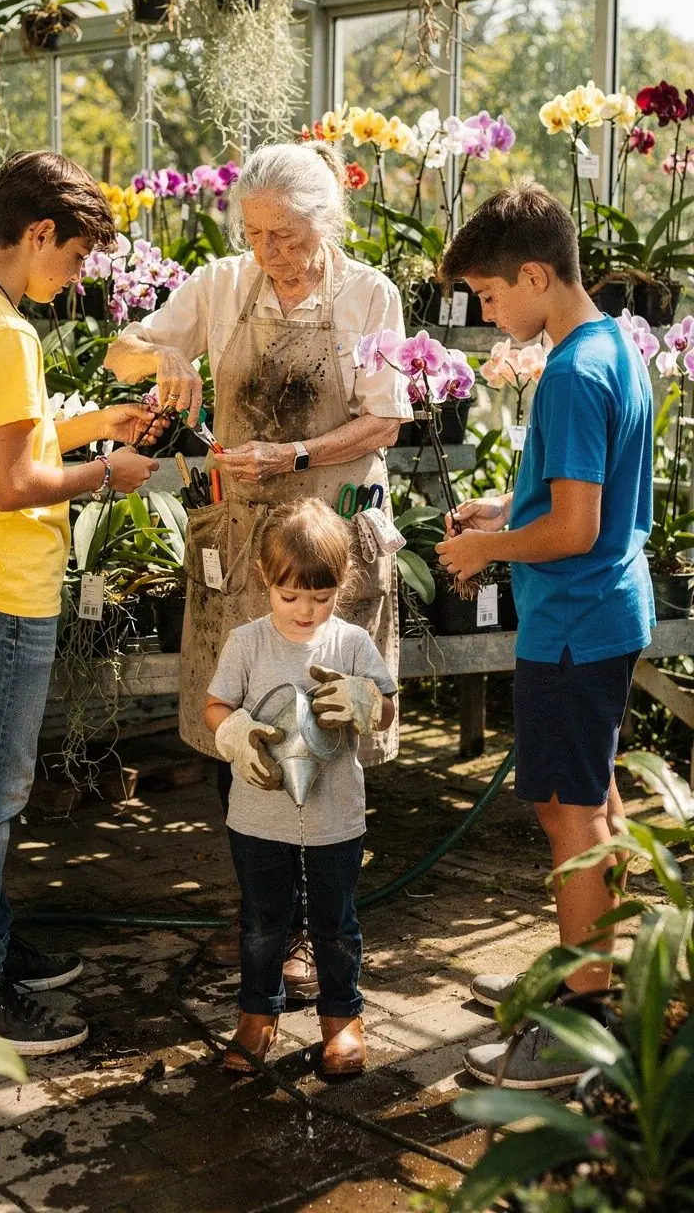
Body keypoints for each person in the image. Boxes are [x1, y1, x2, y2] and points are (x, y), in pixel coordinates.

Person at [106, 141, 412, 984]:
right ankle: (260, 916)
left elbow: (386, 420)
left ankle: (314, 924)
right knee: (240, 719)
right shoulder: (221, 285)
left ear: (325, 223)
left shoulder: (368, 295)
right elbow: (119, 353)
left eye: (286, 235)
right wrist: (162, 356)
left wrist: (295, 453)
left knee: (325, 722)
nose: (268, 251)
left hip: (328, 541)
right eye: (254, 233)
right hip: (242, 543)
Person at [0, 150, 162, 1054]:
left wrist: (96, 425)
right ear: (39, 232)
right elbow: (15, 482)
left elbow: (5, 445)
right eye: (76, 254)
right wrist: (109, 472)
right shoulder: (7, 335)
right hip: (5, 584)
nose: (78, 273)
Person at [434, 182, 654, 1089]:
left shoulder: (567, 374)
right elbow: (582, 498)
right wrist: (506, 508)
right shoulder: (611, 345)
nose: (487, 315)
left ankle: (579, 1027)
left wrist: (483, 547)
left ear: (534, 275)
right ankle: (587, 975)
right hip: (610, 610)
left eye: (489, 296)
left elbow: (572, 529)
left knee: (569, 818)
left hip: (570, 623)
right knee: (595, 804)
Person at [204, 499, 396, 1075]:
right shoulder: (246, 642)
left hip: (336, 816)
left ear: (343, 582)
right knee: (262, 922)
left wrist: (368, 701)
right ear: (264, 578)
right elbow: (215, 705)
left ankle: (342, 1018)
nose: (306, 611)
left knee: (335, 922)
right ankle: (257, 1016)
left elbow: (388, 709)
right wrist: (234, 731)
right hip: (257, 818)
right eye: (289, 597)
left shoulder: (352, 644)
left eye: (321, 597)